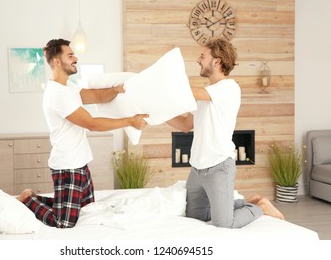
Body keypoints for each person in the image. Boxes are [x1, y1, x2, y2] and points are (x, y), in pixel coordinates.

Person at [17, 38, 148, 228]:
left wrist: (117, 89)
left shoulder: (68, 88)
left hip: (80, 162)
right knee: (64, 222)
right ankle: (28, 199)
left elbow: (93, 96)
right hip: (67, 166)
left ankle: (38, 200)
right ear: (56, 61)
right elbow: (91, 123)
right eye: (70, 55)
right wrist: (129, 121)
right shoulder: (57, 94)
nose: (75, 58)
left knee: (85, 212)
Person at [167, 38, 284, 228]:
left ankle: (261, 207)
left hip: (219, 167)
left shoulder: (229, 88)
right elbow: (185, 125)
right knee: (196, 220)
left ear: (217, 61)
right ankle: (243, 204)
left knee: (225, 224)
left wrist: (163, 87)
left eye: (202, 56)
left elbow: (188, 93)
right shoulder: (204, 94)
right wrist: (153, 114)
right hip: (197, 169)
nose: (198, 60)